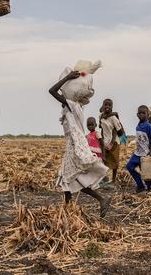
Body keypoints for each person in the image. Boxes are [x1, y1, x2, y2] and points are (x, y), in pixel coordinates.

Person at [49, 70, 111, 218]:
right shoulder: (73, 106)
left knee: (71, 178)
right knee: (66, 179)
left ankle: (102, 198)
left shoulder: (72, 105)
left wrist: (68, 78)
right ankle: (68, 210)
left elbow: (51, 91)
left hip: (75, 145)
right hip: (72, 145)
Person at [125, 105, 151, 192]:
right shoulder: (138, 125)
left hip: (145, 153)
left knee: (146, 171)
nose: (141, 114)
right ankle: (140, 184)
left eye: (143, 113)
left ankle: (149, 188)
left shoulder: (148, 126)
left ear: (148, 114)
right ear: (137, 114)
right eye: (139, 113)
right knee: (129, 166)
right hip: (137, 152)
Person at [99, 99, 125, 185]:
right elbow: (102, 129)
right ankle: (104, 178)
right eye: (105, 105)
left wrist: (111, 143)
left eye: (109, 105)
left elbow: (118, 131)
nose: (107, 107)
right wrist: (102, 141)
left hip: (114, 143)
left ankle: (113, 180)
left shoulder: (113, 118)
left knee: (114, 162)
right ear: (103, 106)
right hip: (105, 142)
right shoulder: (101, 117)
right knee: (103, 161)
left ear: (112, 107)